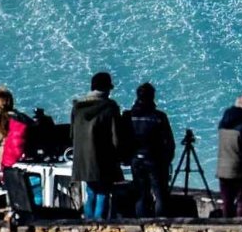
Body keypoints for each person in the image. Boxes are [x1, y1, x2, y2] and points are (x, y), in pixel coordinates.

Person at [72, 72, 128, 220]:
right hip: (103, 159)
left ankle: (88, 223)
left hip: (83, 160)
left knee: (91, 191)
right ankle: (100, 225)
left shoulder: (77, 107)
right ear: (106, 89)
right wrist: (120, 156)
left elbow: (72, 134)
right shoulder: (110, 107)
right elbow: (116, 137)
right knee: (103, 192)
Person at [125, 83, 176, 217]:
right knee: (160, 194)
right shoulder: (159, 116)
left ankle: (142, 224)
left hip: (136, 158)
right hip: (155, 159)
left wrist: (127, 157)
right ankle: (161, 224)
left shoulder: (128, 116)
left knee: (141, 194)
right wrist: (167, 159)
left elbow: (123, 138)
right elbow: (169, 142)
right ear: (152, 96)